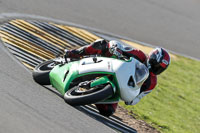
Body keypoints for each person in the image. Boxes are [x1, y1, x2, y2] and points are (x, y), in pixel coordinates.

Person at [64, 39, 170, 117]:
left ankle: (85, 94)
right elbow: (119, 46)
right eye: (155, 64)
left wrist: (131, 98)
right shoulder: (139, 54)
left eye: (159, 69)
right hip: (110, 66)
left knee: (108, 111)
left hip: (118, 86)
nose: (155, 69)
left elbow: (138, 97)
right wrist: (115, 48)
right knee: (102, 44)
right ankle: (75, 53)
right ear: (151, 57)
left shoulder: (152, 82)